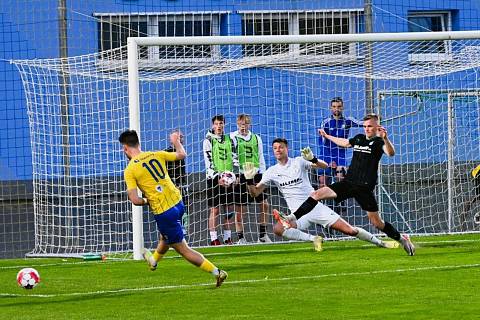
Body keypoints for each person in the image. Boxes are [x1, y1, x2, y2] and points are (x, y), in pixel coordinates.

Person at [287, 113, 416, 256]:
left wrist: (385, 138)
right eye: (365, 126)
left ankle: (402, 238)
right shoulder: (359, 139)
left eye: (370, 126)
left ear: (377, 127)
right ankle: (293, 217)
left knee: (377, 223)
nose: (367, 129)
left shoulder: (379, 143)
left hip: (364, 188)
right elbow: (345, 142)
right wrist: (327, 136)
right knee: (317, 194)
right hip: (348, 183)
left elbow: (391, 153)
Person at [244, 138, 398, 251]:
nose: (278, 150)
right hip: (297, 214)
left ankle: (381, 243)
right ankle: (314, 239)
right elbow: (255, 192)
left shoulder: (298, 161)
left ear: (287, 149)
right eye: (275, 148)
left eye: (281, 147)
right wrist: (249, 180)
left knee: (350, 231)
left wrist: (313, 159)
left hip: (315, 207)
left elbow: (323, 166)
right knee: (278, 229)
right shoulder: (272, 171)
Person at [119, 129, 227, 287]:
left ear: (125, 148)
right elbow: (182, 155)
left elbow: (135, 200)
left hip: (164, 211)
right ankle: (154, 261)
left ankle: (217, 272)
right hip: (178, 202)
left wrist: (147, 201)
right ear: (139, 143)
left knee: (183, 249)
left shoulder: (130, 170)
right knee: (165, 236)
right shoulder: (157, 154)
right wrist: (176, 141)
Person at [230, 114, 272, 244]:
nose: (243, 127)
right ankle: (241, 238)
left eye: (246, 124)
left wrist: (263, 175)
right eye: (241, 124)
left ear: (249, 124)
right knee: (240, 209)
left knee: (264, 205)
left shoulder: (256, 138)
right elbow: (232, 157)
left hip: (256, 173)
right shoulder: (232, 137)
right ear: (237, 124)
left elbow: (260, 156)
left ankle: (263, 236)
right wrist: (235, 173)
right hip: (241, 175)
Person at [203, 115, 237, 245]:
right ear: (213, 125)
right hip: (214, 179)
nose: (219, 126)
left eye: (221, 123)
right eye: (216, 124)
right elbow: (209, 162)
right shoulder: (208, 140)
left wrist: (233, 176)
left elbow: (234, 158)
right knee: (215, 209)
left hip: (228, 179)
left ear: (224, 125)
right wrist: (218, 177)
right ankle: (214, 239)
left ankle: (228, 237)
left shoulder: (230, 139)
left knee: (229, 208)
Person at [317, 97, 363, 187]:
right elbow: (322, 143)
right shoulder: (325, 123)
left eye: (339, 106)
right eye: (334, 106)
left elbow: (361, 123)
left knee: (340, 178)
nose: (336, 109)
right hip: (326, 155)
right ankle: (322, 201)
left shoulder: (347, 121)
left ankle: (340, 201)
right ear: (331, 108)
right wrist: (330, 160)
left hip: (340, 155)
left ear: (342, 107)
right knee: (322, 182)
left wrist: (374, 121)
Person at [165, 129, 189, 233]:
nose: (181, 139)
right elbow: (165, 173)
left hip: (182, 186)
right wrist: (174, 185)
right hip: (172, 188)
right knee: (173, 211)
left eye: (182, 137)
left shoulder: (181, 152)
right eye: (179, 137)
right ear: (172, 140)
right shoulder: (167, 153)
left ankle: (183, 231)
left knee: (184, 210)